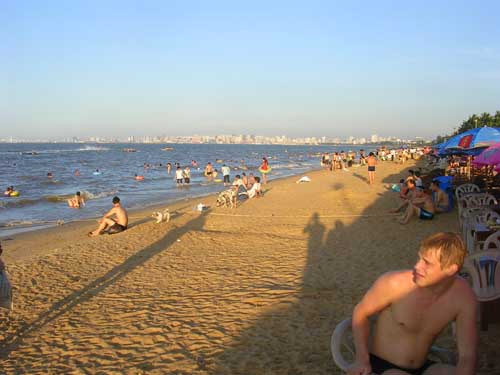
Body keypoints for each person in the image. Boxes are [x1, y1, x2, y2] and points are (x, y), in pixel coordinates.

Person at [348, 232, 477, 375]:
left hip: (422, 366)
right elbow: (360, 312)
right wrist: (361, 359)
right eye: (420, 258)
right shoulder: (394, 284)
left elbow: (467, 354)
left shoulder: (463, 297)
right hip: (381, 365)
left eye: (427, 263)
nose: (417, 266)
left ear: (450, 269)